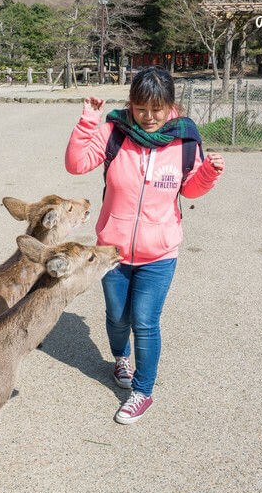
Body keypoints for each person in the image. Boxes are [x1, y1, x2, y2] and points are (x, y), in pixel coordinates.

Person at [65, 66, 225, 424]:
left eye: (157, 109)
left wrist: (209, 173)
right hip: (113, 252)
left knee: (145, 321)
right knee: (117, 317)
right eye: (141, 109)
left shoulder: (185, 140)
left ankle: (143, 391)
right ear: (131, 105)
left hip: (159, 253)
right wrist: (89, 119)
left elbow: (190, 189)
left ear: (171, 107)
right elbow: (76, 164)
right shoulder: (114, 132)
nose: (149, 117)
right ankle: (120, 358)